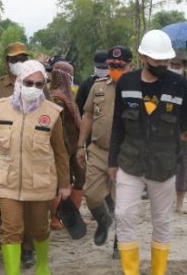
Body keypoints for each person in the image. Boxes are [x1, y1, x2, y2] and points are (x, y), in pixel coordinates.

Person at [109, 30, 187, 275]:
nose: (163, 65)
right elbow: (117, 124)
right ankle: (131, 272)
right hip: (129, 162)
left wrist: (177, 144)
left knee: (162, 221)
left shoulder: (178, 85)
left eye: (166, 61)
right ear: (144, 57)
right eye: (157, 61)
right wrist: (112, 161)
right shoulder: (126, 83)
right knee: (123, 215)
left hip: (164, 166)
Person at [0, 60, 71, 275]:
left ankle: (42, 267)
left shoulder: (52, 113)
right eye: (28, 82)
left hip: (39, 183)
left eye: (39, 84)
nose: (33, 88)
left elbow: (60, 151)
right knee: (11, 230)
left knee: (39, 229)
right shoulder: (1, 107)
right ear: (19, 81)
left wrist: (64, 184)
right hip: (7, 180)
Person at [0, 42, 43, 267]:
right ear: (7, 62)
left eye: (23, 59)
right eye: (15, 60)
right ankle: (15, 249)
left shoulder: (38, 84)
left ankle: (28, 249)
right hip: (6, 156)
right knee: (11, 209)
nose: (19, 63)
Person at [76, 46, 132, 250]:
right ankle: (103, 221)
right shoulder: (97, 87)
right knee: (91, 195)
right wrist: (80, 146)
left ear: (130, 65)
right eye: (111, 65)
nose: (115, 68)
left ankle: (120, 242)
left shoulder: (136, 89)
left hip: (125, 153)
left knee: (122, 203)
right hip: (98, 150)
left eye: (120, 65)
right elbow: (88, 116)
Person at [47, 61, 85, 231]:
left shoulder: (67, 97)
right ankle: (55, 219)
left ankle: (73, 218)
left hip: (74, 147)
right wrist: (66, 149)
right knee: (60, 185)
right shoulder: (56, 98)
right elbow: (58, 128)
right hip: (63, 149)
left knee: (80, 179)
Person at [170, 50, 187, 214]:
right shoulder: (163, 81)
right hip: (163, 131)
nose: (173, 68)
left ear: (184, 66)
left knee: (183, 168)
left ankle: (179, 203)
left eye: (177, 65)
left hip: (183, 132)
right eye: (171, 65)